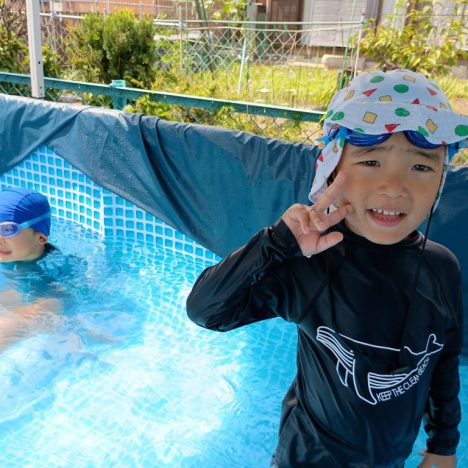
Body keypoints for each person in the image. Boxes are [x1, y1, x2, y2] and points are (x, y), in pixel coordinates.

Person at [186, 69, 467, 467]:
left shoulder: (442, 268)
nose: (394, 186)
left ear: (441, 178)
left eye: (420, 167)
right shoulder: (313, 263)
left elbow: (442, 358)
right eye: (371, 161)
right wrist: (275, 243)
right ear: (332, 168)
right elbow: (206, 311)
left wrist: (443, 445)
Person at [0, 188, 66, 351]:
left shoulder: (48, 268)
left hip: (47, 298)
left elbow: (57, 302)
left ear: (41, 237)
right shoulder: (13, 254)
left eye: (6, 230)